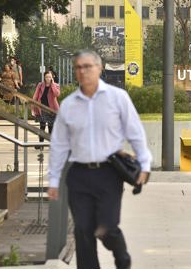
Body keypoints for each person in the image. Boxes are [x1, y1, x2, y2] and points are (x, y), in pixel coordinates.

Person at [47, 50, 151, 269]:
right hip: (79, 175)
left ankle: (121, 257)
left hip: (109, 174)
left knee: (107, 227)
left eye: (88, 66)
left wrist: (145, 165)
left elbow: (135, 133)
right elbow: (59, 145)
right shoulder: (68, 105)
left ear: (99, 68)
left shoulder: (117, 98)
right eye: (79, 67)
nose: (83, 71)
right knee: (83, 230)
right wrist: (54, 180)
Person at [32, 71, 60, 149]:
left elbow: (57, 94)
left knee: (51, 128)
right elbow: (36, 95)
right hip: (42, 108)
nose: (48, 78)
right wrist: (33, 105)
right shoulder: (40, 85)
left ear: (52, 77)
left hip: (52, 109)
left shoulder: (56, 85)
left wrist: (53, 84)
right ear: (44, 77)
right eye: (47, 77)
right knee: (42, 126)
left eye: (50, 77)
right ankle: (41, 144)